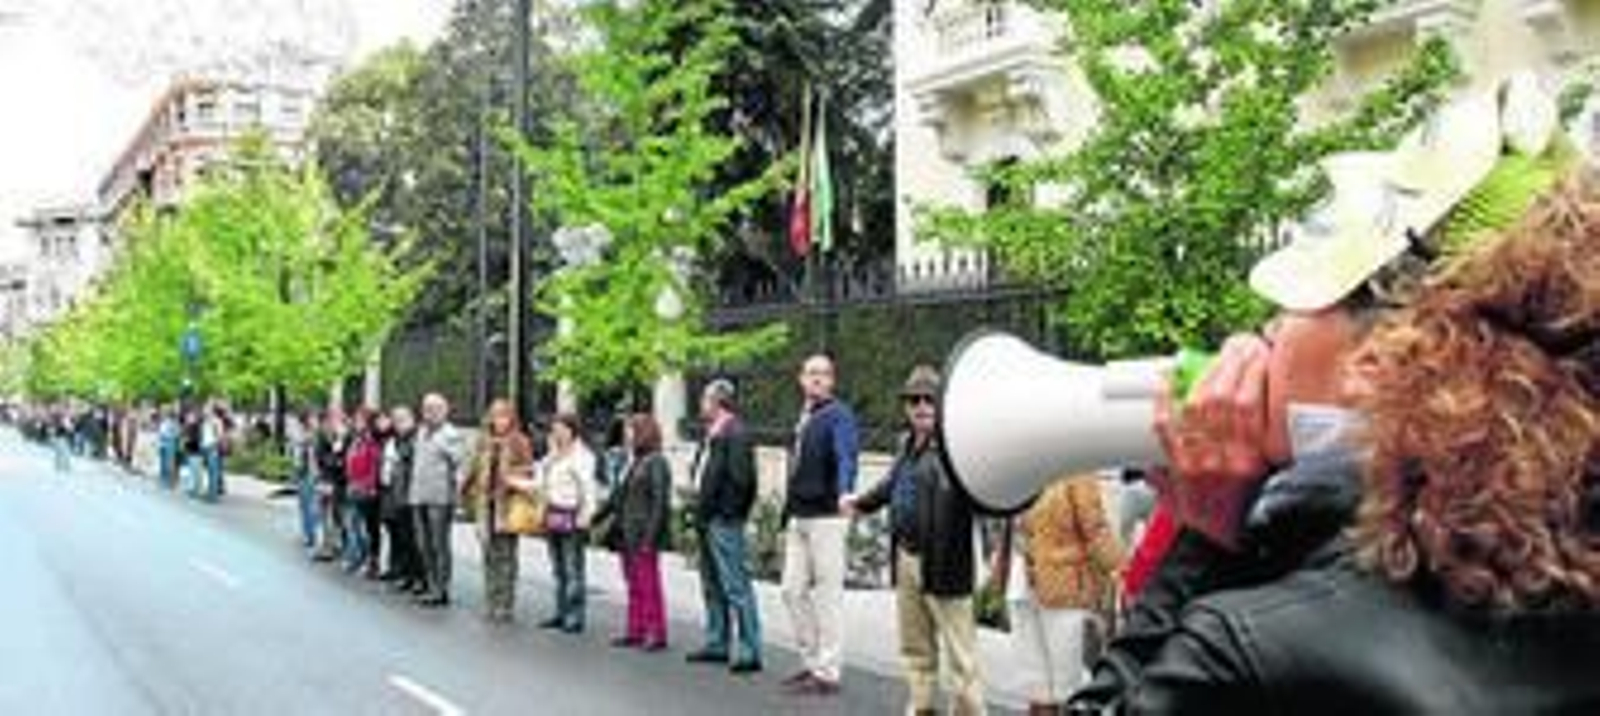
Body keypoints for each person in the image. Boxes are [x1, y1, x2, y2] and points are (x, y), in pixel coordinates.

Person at [1070, 83, 1578, 712]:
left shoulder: (1259, 654)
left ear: (1385, 357)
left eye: (1292, 308)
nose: (1269, 331)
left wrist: (1205, 543)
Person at [842, 365, 986, 715]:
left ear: (942, 405)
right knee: (916, 648)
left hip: (946, 561)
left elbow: (983, 499)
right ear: (906, 406)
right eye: (914, 400)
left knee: (961, 656)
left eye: (929, 400)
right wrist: (860, 504)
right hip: (907, 557)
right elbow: (893, 485)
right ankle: (921, 708)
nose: (921, 406)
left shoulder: (958, 448)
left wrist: (997, 554)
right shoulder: (906, 444)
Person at [994, 478, 1122, 714]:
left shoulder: (1077, 472)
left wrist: (1120, 572)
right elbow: (1007, 526)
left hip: (1065, 591)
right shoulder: (1023, 467)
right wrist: (998, 577)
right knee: (1034, 685)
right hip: (1021, 587)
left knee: (1066, 687)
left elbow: (1095, 528)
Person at [780, 353, 859, 696]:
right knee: (790, 590)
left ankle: (827, 671)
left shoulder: (838, 415)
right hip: (799, 517)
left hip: (827, 517)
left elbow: (846, 455)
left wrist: (845, 492)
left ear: (832, 381)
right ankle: (813, 663)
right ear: (801, 379)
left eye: (823, 374)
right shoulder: (804, 417)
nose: (816, 379)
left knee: (828, 596)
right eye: (811, 373)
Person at [685, 379, 764, 674]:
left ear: (718, 401)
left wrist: (729, 514)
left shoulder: (736, 433)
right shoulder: (713, 433)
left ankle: (749, 648)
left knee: (735, 585)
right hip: (707, 518)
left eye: (705, 398)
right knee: (712, 584)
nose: (700, 403)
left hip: (723, 520)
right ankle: (717, 641)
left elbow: (744, 481)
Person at [595, 414, 673, 650]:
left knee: (649, 585)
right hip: (627, 533)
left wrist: (651, 537)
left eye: (630, 430)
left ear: (643, 432)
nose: (626, 435)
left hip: (643, 534)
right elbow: (617, 497)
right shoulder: (634, 461)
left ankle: (655, 632)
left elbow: (660, 503)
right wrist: (595, 518)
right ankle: (635, 629)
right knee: (633, 584)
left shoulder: (657, 461)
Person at [462, 399, 537, 623]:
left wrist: (511, 474)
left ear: (511, 418)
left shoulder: (520, 441)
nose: (499, 420)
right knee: (488, 555)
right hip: (486, 504)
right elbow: (473, 468)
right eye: (495, 416)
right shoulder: (483, 441)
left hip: (508, 505)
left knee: (507, 556)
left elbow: (529, 471)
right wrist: (466, 492)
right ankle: (491, 601)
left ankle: (506, 604)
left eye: (503, 416)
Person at [537, 412, 599, 633]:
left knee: (573, 568)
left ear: (572, 430)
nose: (556, 432)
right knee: (558, 568)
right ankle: (560, 612)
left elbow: (588, 489)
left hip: (572, 513)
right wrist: (550, 457)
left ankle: (575, 616)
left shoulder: (582, 456)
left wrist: (587, 515)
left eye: (561, 428)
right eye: (554, 429)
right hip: (553, 511)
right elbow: (540, 479)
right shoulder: (553, 454)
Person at [410, 393, 467, 607]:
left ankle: (441, 589)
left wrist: (459, 498)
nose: (429, 413)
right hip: (418, 496)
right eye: (426, 408)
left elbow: (460, 467)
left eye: (435, 408)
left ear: (445, 410)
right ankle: (431, 583)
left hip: (440, 499)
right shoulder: (421, 432)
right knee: (423, 544)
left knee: (438, 545)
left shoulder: (451, 434)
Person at [380, 406, 423, 592]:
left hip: (410, 494)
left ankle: (418, 577)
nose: (399, 424)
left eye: (402, 419)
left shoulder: (415, 438)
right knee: (403, 538)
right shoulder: (397, 439)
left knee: (414, 540)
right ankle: (407, 574)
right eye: (396, 420)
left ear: (412, 419)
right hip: (397, 493)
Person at [343, 409, 385, 577]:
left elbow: (374, 466)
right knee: (354, 524)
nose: (356, 422)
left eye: (360, 420)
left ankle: (372, 561)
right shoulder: (356, 440)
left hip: (367, 490)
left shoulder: (371, 442)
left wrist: (369, 486)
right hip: (354, 486)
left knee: (369, 527)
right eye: (356, 419)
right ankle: (360, 557)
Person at [312, 408, 350, 563]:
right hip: (325, 480)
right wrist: (334, 460)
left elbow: (344, 460)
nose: (333, 423)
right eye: (331, 420)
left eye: (337, 419)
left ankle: (340, 546)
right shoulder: (322, 436)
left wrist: (335, 459)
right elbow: (321, 457)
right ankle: (327, 546)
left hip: (339, 482)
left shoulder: (345, 436)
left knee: (338, 515)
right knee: (324, 515)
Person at [290, 410, 322, 553]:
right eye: (312, 418)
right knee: (304, 505)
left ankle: (311, 534)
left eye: (315, 419)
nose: (315, 421)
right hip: (302, 471)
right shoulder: (299, 434)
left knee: (312, 507)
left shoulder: (317, 435)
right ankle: (308, 534)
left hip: (313, 473)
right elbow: (296, 451)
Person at [157, 408, 179, 489]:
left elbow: (176, 434)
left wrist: (170, 434)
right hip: (163, 443)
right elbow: (160, 432)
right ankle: (163, 479)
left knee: (169, 462)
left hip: (170, 442)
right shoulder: (164, 422)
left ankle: (169, 481)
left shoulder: (174, 424)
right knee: (163, 462)